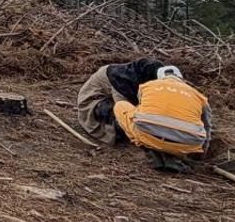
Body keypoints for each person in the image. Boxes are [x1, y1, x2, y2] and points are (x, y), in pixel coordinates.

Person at [78, 59, 211, 172]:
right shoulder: (197, 95)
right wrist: (201, 154)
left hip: (147, 135)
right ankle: (157, 150)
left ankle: (151, 147)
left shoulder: (149, 86)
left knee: (133, 115)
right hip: (188, 146)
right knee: (128, 112)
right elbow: (207, 126)